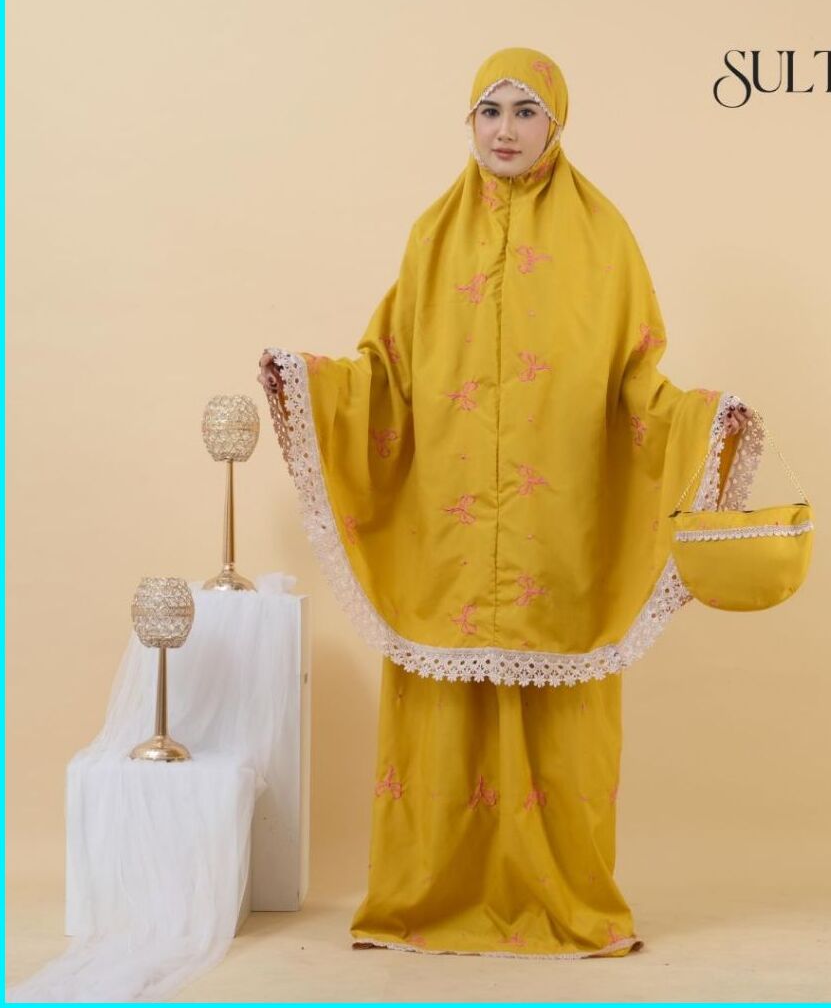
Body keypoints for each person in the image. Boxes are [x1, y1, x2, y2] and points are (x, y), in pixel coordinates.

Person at [257, 46, 763, 958]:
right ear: (469, 122)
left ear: (556, 125)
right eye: (489, 110)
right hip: (449, 527)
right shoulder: (432, 236)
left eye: (526, 111)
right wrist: (311, 382)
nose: (505, 129)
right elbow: (388, 373)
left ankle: (569, 904)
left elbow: (635, 379)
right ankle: (422, 899)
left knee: (563, 715)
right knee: (443, 714)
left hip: (556, 525)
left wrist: (702, 419)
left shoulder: (605, 240)